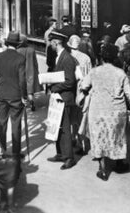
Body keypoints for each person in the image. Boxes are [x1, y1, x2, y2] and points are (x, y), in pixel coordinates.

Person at [80, 43, 130, 180]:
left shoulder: (94, 71)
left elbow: (84, 86)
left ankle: (103, 169)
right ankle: (119, 163)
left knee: (99, 136)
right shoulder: (120, 73)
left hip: (97, 110)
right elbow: (129, 95)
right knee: (117, 136)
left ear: (102, 57)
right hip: (117, 111)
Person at [0, 31, 27, 159]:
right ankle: (16, 153)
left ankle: (2, 150)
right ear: (17, 45)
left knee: (2, 123)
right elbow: (22, 80)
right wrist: (25, 96)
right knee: (16, 124)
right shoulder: (21, 58)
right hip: (16, 95)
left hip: (1, 94)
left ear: (7, 43)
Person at [46, 29, 77, 170]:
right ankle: (60, 153)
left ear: (56, 42)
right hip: (59, 97)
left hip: (65, 97)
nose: (50, 45)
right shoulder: (59, 56)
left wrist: (55, 88)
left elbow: (70, 81)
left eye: (51, 42)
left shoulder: (67, 58)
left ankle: (69, 157)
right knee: (57, 126)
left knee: (64, 128)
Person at [67, 34, 92, 152]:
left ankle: (74, 138)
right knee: (81, 116)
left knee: (72, 116)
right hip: (83, 90)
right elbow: (90, 75)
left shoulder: (67, 57)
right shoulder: (86, 57)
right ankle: (81, 142)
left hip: (71, 90)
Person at [17, 34, 41, 111]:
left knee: (22, 86)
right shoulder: (31, 50)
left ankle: (23, 101)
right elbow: (35, 62)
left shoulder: (17, 51)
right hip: (31, 70)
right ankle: (31, 101)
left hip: (21, 71)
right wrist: (37, 71)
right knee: (30, 88)